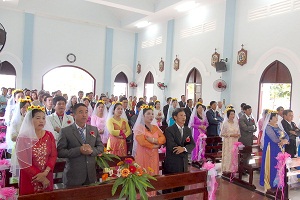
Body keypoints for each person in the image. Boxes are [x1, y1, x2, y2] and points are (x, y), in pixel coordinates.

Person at [57, 103, 104, 187]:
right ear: (74, 115)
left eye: (86, 112)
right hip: (73, 174)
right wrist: (79, 150)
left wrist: (92, 151)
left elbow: (100, 147)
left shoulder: (94, 129)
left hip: (90, 174)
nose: (84, 115)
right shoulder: (65, 131)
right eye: (81, 112)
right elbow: (60, 152)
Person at [16, 106, 57, 195]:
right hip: (30, 177)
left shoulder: (49, 135)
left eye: (43, 118)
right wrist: (41, 177)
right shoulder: (23, 138)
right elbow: (24, 162)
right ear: (31, 120)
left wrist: (45, 173)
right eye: (38, 118)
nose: (41, 121)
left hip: (47, 174)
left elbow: (53, 155)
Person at [163, 108, 195, 200]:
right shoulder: (169, 130)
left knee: (181, 189)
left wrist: (184, 148)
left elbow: (192, 144)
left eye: (184, 115)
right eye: (181, 115)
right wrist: (181, 149)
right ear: (175, 117)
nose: (183, 117)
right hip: (172, 162)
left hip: (183, 163)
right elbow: (171, 145)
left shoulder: (187, 130)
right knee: (169, 188)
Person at [260, 111, 289, 191]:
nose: (277, 118)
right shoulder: (268, 127)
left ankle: (278, 182)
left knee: (279, 165)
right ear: (270, 119)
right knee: (272, 165)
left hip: (279, 149)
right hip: (271, 150)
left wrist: (286, 140)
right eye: (275, 117)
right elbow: (274, 139)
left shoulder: (278, 126)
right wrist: (283, 141)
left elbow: (286, 135)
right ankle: (271, 182)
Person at [132, 105, 166, 175]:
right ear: (143, 116)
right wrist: (155, 146)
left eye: (152, 114)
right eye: (148, 114)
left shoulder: (155, 127)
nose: (151, 116)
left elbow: (163, 139)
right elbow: (142, 142)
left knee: (153, 173)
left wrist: (153, 140)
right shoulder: (139, 128)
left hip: (154, 155)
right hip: (143, 154)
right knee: (143, 173)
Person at [188, 102, 208, 167]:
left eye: (201, 108)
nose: (200, 109)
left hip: (203, 132)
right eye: (199, 108)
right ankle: (195, 158)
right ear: (196, 109)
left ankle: (201, 157)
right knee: (196, 144)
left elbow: (207, 123)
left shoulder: (204, 116)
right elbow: (191, 124)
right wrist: (199, 126)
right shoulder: (194, 116)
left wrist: (205, 126)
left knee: (202, 144)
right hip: (196, 131)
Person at [221, 108, 240, 173]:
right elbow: (222, 134)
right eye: (231, 114)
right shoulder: (225, 123)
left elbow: (238, 132)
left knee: (234, 154)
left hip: (235, 141)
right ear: (228, 115)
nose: (233, 115)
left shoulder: (236, 123)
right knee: (229, 154)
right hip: (228, 142)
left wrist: (237, 135)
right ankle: (227, 168)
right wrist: (231, 135)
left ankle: (234, 167)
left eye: (233, 114)